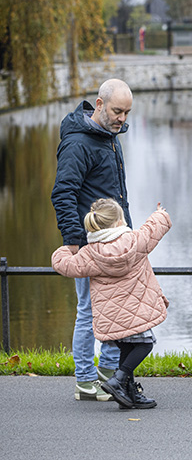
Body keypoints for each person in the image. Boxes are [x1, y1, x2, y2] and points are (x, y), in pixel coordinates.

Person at [51, 78, 134, 401]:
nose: (122, 119)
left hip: (115, 240)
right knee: (89, 311)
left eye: (127, 112)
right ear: (99, 105)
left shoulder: (110, 138)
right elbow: (63, 194)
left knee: (115, 309)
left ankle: (109, 374)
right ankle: (85, 380)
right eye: (117, 111)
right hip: (90, 243)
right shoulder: (78, 144)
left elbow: (114, 193)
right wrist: (73, 240)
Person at [52, 198, 172, 409]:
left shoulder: (90, 253)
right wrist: (160, 213)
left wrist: (65, 249)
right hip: (136, 311)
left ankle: (128, 393)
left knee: (126, 349)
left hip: (111, 317)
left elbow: (65, 265)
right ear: (119, 222)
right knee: (144, 344)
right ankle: (119, 380)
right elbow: (154, 228)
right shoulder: (136, 241)